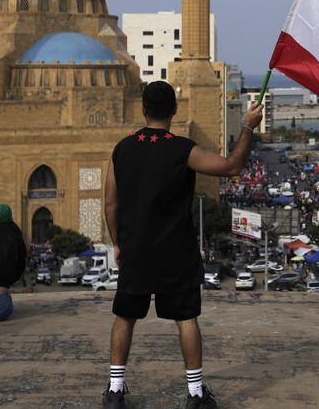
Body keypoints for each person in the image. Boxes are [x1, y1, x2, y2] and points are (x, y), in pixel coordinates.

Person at [101, 81, 263, 409]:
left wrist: (118, 243)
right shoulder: (182, 149)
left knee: (124, 316)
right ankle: (195, 394)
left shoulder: (122, 149)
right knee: (186, 318)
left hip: (135, 251)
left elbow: (109, 204)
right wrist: (248, 126)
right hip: (176, 253)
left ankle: (115, 391)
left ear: (142, 109)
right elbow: (232, 167)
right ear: (175, 110)